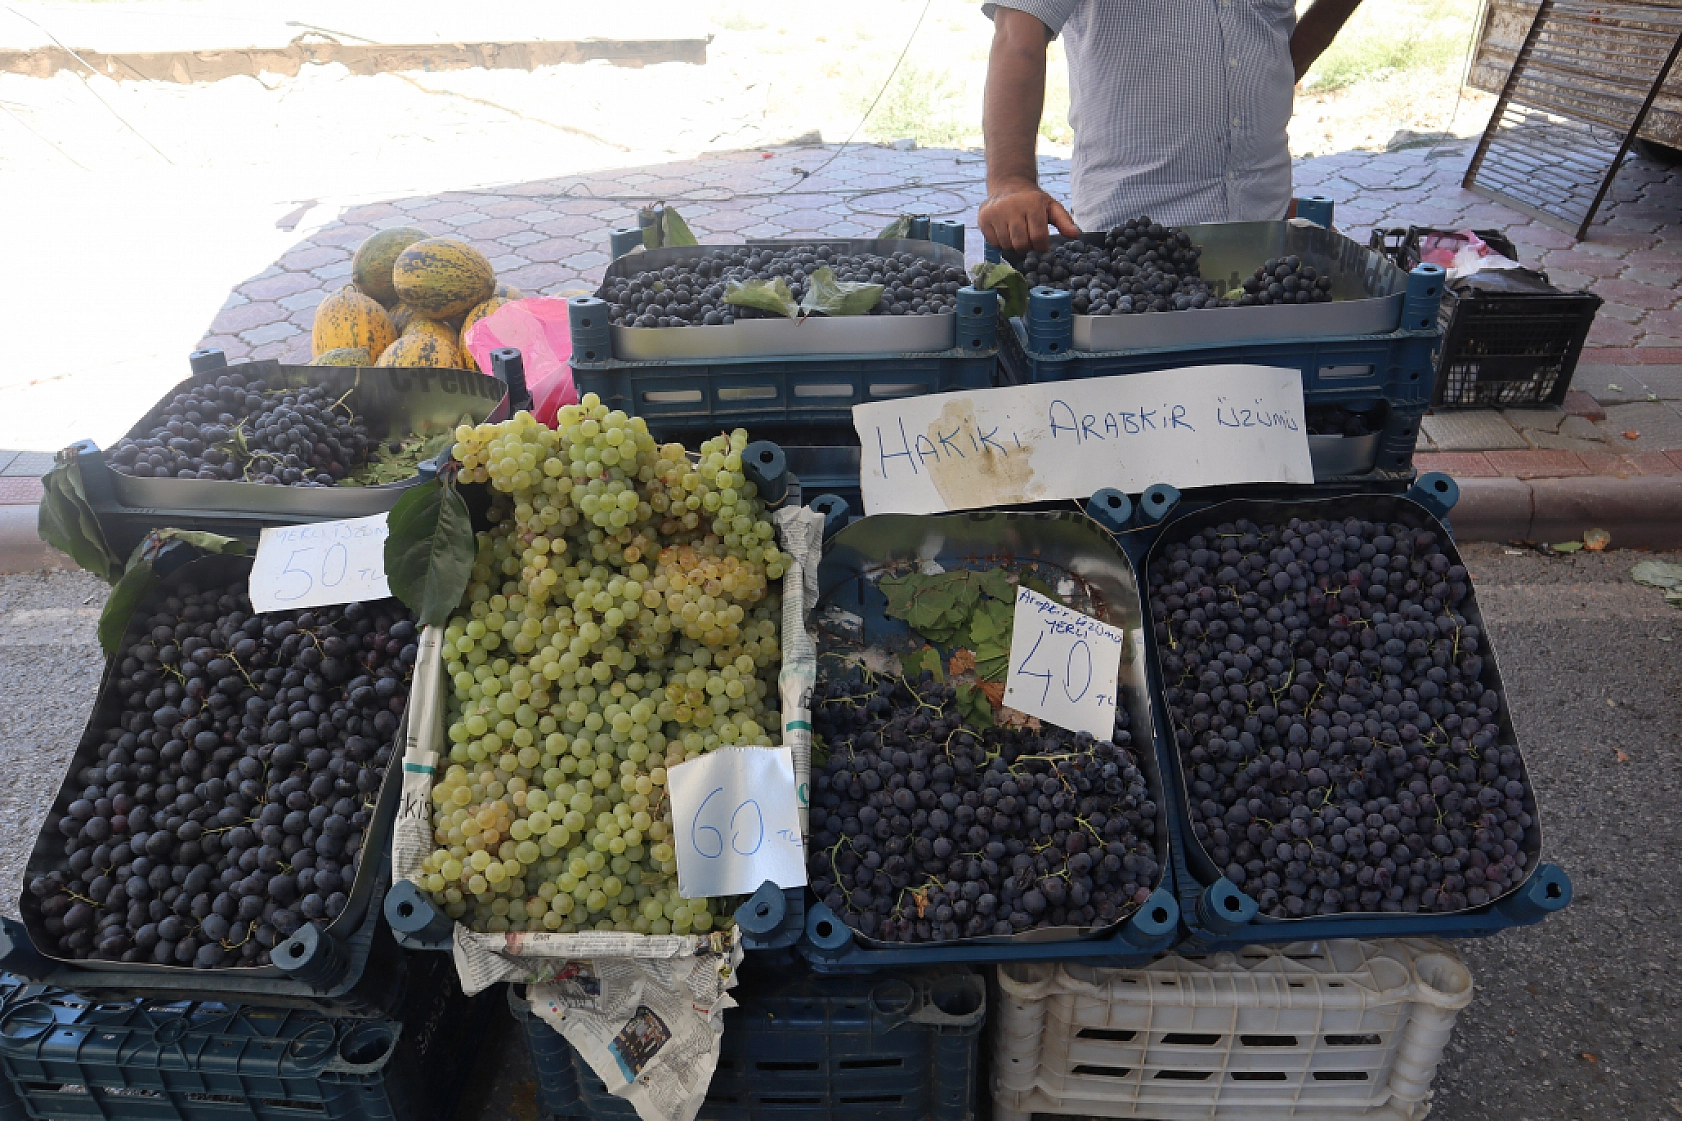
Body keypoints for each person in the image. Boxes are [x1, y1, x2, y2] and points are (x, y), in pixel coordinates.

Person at [978, 0, 1363, 252]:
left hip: (1264, 224)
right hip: (1132, 239)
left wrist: (1274, 74)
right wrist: (1011, 180)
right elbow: (1018, 32)